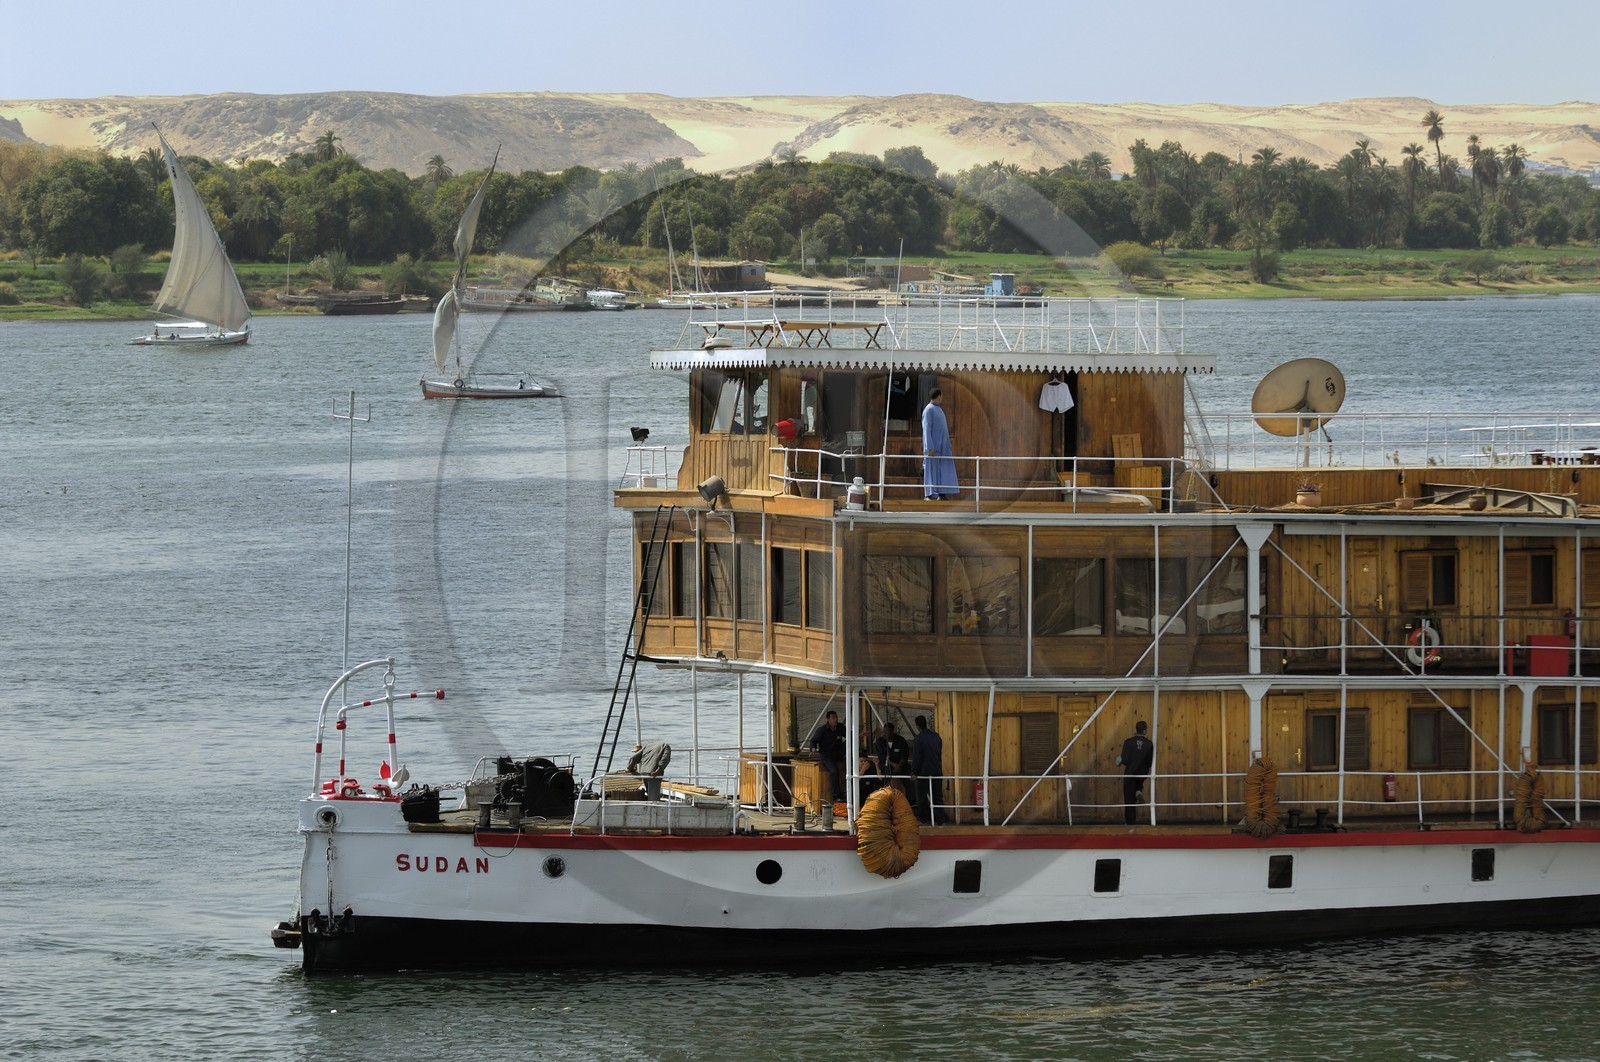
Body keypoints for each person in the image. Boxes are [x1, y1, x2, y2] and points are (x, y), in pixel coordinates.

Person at [921, 388, 958, 500]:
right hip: (934, 448)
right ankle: (929, 494)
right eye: (941, 396)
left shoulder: (939, 409)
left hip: (943, 447)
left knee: (943, 470)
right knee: (931, 470)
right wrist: (929, 447)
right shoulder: (929, 410)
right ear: (938, 396)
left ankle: (942, 492)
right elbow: (926, 429)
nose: (942, 398)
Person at [1117, 721, 1154, 825]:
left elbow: (1124, 759)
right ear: (1144, 730)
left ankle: (1130, 822)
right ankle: (1139, 790)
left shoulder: (1128, 742)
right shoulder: (1149, 744)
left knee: (1129, 799)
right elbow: (1150, 761)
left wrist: (1118, 762)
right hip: (1142, 773)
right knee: (1138, 785)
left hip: (1130, 773)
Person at [910, 715, 945, 824]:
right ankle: (939, 819)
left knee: (922, 796)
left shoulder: (918, 739)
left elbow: (917, 757)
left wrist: (914, 771)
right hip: (937, 770)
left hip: (923, 772)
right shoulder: (936, 737)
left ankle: (924, 818)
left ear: (917, 726)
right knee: (937, 795)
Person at [808, 710, 846, 802]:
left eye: (836, 717)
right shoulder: (822, 730)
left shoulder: (841, 727)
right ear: (828, 719)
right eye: (833, 718)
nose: (836, 719)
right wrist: (813, 748)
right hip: (826, 755)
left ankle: (846, 792)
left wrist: (860, 734)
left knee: (850, 742)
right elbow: (813, 741)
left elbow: (849, 734)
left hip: (838, 753)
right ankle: (835, 795)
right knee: (834, 771)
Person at [875, 721, 910, 787]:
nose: (884, 734)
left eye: (886, 732)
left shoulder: (901, 740)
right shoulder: (880, 741)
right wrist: (892, 764)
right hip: (885, 767)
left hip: (900, 768)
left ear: (892, 731)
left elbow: (904, 755)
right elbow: (882, 756)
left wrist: (899, 765)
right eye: (883, 732)